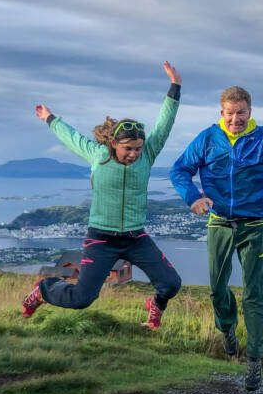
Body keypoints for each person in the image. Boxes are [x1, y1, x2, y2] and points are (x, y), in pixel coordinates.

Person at [22, 61, 182, 329]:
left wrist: (175, 86)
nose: (134, 154)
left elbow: (165, 123)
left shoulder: (148, 154)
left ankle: (155, 306)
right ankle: (44, 289)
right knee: (81, 298)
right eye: (128, 148)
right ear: (113, 144)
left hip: (135, 238)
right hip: (101, 239)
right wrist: (50, 118)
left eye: (138, 148)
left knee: (171, 284)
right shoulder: (97, 155)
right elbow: (70, 136)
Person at [169, 86, 263, 390]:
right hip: (219, 223)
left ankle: (255, 359)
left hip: (254, 225)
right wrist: (192, 197)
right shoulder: (208, 139)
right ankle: (227, 329)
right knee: (218, 289)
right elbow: (179, 170)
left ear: (250, 112)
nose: (236, 119)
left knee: (254, 293)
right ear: (222, 113)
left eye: (241, 113)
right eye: (230, 113)